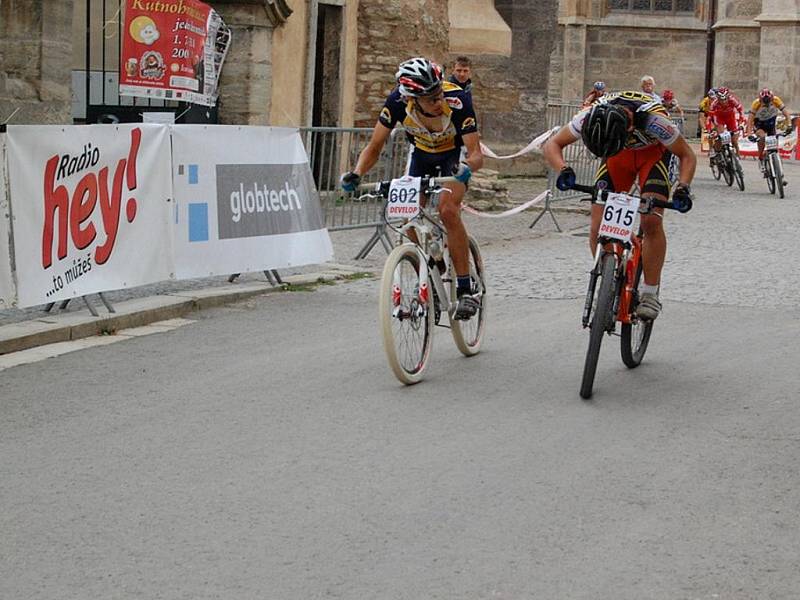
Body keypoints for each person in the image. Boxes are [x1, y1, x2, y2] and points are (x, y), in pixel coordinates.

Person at [340, 57, 484, 320]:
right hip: (421, 154)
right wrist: (356, 173)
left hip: (454, 155)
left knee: (448, 210)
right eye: (431, 99)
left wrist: (467, 167)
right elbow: (374, 147)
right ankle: (433, 265)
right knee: (408, 215)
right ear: (412, 99)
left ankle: (465, 288)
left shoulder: (458, 100)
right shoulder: (397, 102)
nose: (438, 101)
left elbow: (476, 154)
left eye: (439, 93)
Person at [542, 90, 697, 321]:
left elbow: (687, 155)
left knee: (651, 220)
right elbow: (553, 144)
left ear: (629, 128)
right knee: (597, 222)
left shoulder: (654, 121)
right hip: (616, 158)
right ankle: (608, 277)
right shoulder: (588, 115)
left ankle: (650, 294)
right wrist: (564, 169)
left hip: (652, 156)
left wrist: (683, 187)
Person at [745, 87, 793, 167]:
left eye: (769, 103)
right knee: (762, 137)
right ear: (761, 100)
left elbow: (786, 114)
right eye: (764, 103)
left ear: (772, 99)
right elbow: (750, 121)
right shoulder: (756, 103)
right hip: (759, 124)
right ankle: (760, 157)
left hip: (771, 124)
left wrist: (789, 125)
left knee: (774, 147)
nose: (766, 105)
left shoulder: (776, 100)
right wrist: (749, 134)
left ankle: (778, 172)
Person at [708, 86, 745, 155]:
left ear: (728, 97)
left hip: (730, 119)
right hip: (720, 119)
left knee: (734, 140)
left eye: (725, 99)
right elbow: (709, 118)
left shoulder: (732, 100)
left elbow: (741, 111)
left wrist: (741, 121)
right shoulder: (714, 104)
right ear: (718, 98)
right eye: (721, 100)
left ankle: (737, 154)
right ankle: (717, 151)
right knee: (721, 136)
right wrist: (709, 128)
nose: (723, 102)